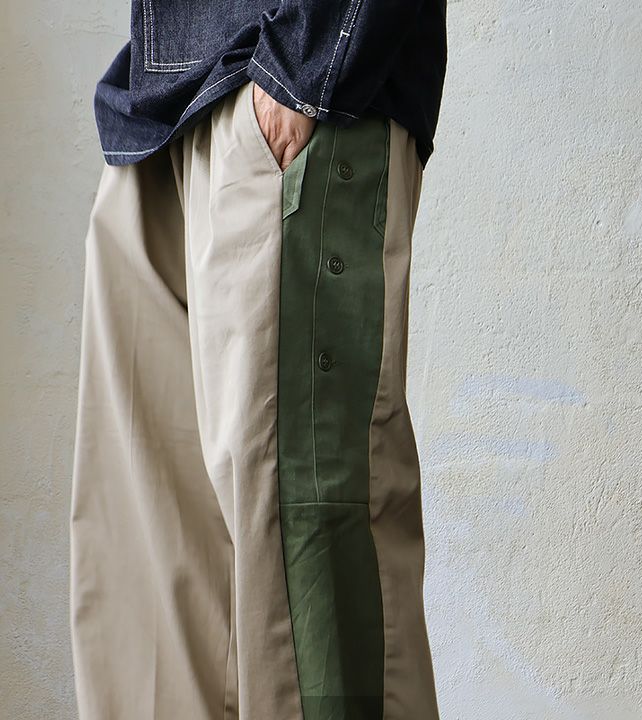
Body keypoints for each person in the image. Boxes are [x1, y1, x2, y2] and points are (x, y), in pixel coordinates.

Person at [69, 1, 448, 718]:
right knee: (148, 638)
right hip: (157, 116)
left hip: (293, 87)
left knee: (307, 610)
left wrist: (308, 67)